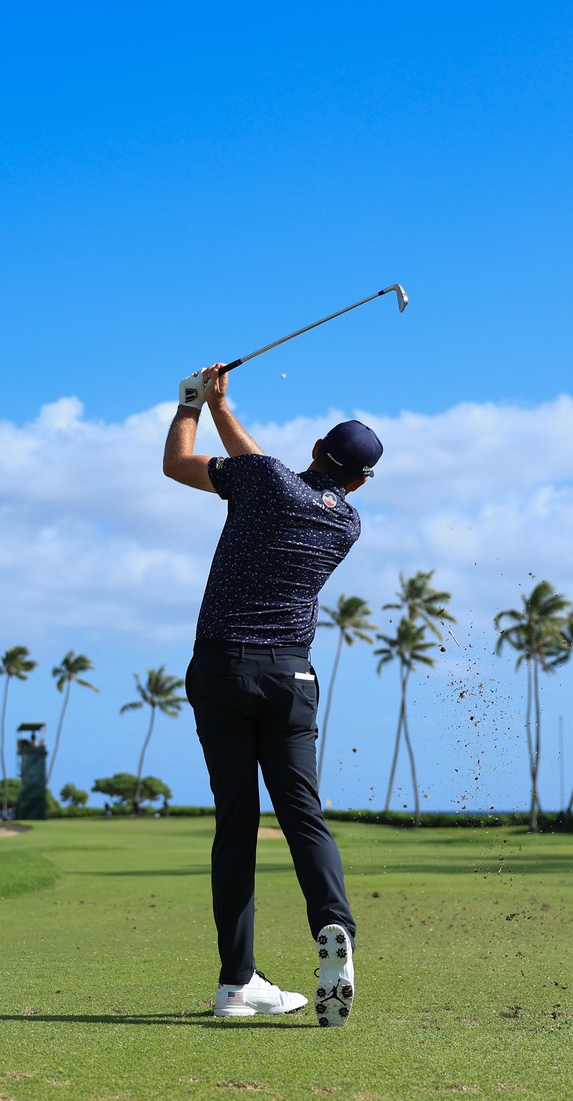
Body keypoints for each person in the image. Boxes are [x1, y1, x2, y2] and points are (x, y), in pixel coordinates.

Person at [162, 363, 371, 1025]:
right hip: (290, 677)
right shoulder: (346, 525)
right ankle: (333, 925)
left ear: (315, 450)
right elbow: (265, 472)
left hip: (222, 669)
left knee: (237, 823)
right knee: (303, 815)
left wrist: (195, 403)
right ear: (360, 480)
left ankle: (235, 985)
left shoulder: (263, 480)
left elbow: (178, 464)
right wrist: (221, 407)